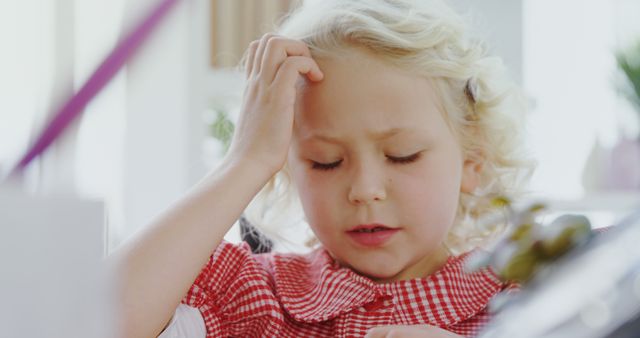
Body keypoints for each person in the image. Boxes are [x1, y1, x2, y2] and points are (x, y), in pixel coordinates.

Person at [110, 0, 532, 337]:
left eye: (402, 154)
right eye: (325, 162)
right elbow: (95, 322)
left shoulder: (528, 292)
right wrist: (246, 162)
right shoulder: (254, 299)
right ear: (290, 170)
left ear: (472, 160)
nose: (365, 190)